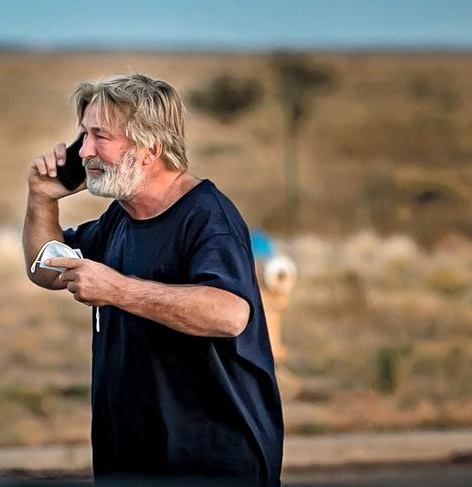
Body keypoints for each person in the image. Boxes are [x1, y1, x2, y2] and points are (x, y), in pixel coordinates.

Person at [22, 73, 283, 486]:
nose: (84, 150)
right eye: (83, 136)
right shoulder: (120, 218)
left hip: (210, 463)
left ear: (150, 148)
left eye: (99, 136)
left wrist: (117, 289)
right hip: (129, 457)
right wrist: (41, 197)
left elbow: (230, 314)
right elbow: (46, 268)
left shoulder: (207, 216)